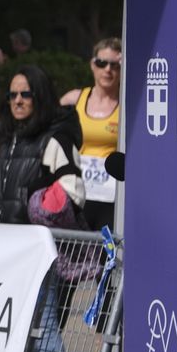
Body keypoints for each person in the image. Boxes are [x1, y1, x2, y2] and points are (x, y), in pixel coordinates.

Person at [0, 65, 83, 225]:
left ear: (41, 96)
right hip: (2, 237)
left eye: (26, 95)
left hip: (38, 242)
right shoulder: (9, 140)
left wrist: (35, 197)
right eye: (12, 95)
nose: (17, 101)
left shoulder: (57, 139)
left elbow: (75, 196)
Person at [60, 37, 121, 230]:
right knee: (74, 253)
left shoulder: (128, 106)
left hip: (110, 197)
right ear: (92, 64)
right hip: (76, 193)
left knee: (106, 255)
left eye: (115, 65)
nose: (108, 70)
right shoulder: (73, 99)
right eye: (102, 63)